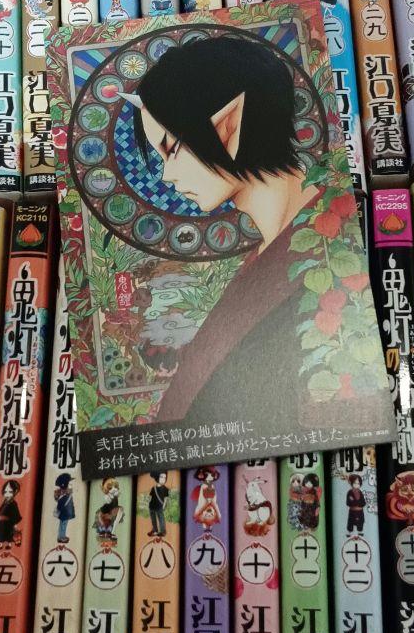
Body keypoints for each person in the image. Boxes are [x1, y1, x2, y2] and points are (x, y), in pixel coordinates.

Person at [121, 34, 325, 432]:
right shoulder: (275, 245)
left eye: (171, 149)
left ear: (229, 125)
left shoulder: (325, 245)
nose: (166, 175)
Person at [0, 479, 23, 550]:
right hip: (1, 522)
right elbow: (0, 511)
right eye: (5, 492)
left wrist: (15, 523)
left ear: (15, 492)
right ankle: (0, 544)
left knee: (9, 534)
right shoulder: (4, 502)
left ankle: (9, 545)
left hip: (9, 522)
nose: (7, 494)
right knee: (0, 533)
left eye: (10, 492)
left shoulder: (13, 503)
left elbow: (15, 512)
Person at [53, 473, 75, 544]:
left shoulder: (64, 493)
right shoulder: (64, 494)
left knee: (63, 524)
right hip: (64, 513)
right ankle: (61, 537)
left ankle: (61, 536)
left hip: (64, 512)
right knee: (63, 525)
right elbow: (61, 503)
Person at [147, 472, 169, 537]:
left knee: (161, 519)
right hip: (151, 506)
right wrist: (148, 503)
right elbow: (150, 497)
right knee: (153, 519)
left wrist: (164, 505)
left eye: (165, 478)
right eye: (161, 477)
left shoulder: (165, 489)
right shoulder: (153, 488)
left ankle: (163, 531)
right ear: (157, 478)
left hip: (159, 506)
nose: (163, 479)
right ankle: (155, 530)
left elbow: (166, 498)